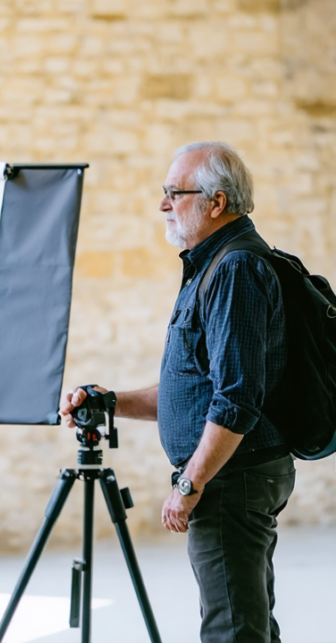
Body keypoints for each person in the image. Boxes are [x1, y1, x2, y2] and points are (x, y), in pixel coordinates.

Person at [59, 142, 294, 643]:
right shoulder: (211, 266)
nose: (163, 204)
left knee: (232, 630)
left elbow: (236, 399)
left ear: (216, 203)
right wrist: (112, 400)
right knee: (245, 624)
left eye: (174, 193)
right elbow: (192, 392)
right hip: (235, 477)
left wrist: (190, 484)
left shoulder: (234, 270)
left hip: (232, 481)